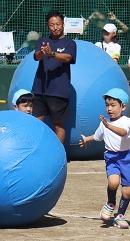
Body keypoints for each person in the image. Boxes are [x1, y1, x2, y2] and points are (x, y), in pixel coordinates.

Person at [79, 88, 130, 229]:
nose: (109, 108)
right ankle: (110, 203)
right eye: (107, 105)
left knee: (127, 191)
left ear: (123, 107)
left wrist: (108, 125)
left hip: (127, 158)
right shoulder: (104, 123)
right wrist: (87, 139)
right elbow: (97, 136)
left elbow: (123, 133)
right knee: (113, 183)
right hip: (111, 157)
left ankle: (120, 216)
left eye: (113, 105)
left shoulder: (126, 121)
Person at [32, 10, 76, 143]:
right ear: (48, 26)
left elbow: (68, 57)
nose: (55, 28)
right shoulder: (43, 41)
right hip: (39, 89)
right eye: (51, 25)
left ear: (63, 24)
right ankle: (36, 152)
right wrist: (43, 51)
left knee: (58, 125)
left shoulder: (69, 43)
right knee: (36, 123)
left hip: (58, 92)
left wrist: (52, 54)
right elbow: (37, 56)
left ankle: (59, 156)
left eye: (57, 24)